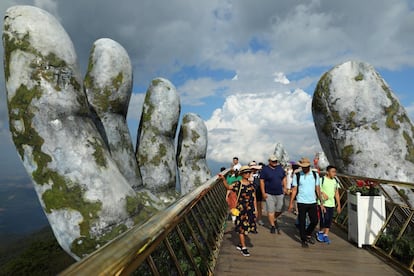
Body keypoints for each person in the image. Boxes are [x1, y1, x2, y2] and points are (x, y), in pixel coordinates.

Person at [219, 166, 257, 257]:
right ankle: (244, 247)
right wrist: (223, 179)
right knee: (242, 228)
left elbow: (254, 197)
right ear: (242, 174)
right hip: (241, 209)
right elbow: (228, 187)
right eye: (246, 172)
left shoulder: (251, 185)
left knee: (247, 227)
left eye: (249, 172)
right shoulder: (238, 184)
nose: (248, 174)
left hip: (250, 209)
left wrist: (255, 208)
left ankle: (241, 244)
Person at [288, 157, 323, 248]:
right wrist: (291, 203)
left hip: (312, 201)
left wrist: (321, 202)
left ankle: (307, 233)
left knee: (315, 220)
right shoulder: (298, 175)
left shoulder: (315, 175)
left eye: (306, 166)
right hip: (301, 201)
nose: (304, 168)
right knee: (302, 221)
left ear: (309, 166)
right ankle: (303, 239)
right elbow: (294, 189)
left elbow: (317, 189)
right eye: (303, 167)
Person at [260, 155, 287, 234]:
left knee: (280, 208)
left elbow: (284, 177)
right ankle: (272, 225)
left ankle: (274, 218)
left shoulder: (279, 168)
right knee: (271, 210)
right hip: (269, 193)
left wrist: (285, 187)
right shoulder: (265, 170)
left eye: (276, 161)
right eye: (273, 161)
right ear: (269, 161)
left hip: (279, 192)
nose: (275, 162)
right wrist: (263, 192)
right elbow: (262, 181)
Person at [316, 165, 342, 244]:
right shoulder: (322, 180)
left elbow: (336, 193)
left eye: (335, 172)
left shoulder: (335, 181)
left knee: (329, 220)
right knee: (324, 219)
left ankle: (326, 234)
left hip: (331, 203)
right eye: (333, 172)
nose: (334, 173)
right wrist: (322, 193)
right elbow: (317, 190)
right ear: (328, 172)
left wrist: (339, 205)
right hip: (323, 203)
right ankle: (320, 232)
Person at [249, 161, 264, 226]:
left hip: (258, 191)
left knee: (259, 205)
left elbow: (262, 167)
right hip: (251, 191)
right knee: (251, 206)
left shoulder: (260, 173)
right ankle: (252, 219)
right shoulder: (248, 174)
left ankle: (259, 219)